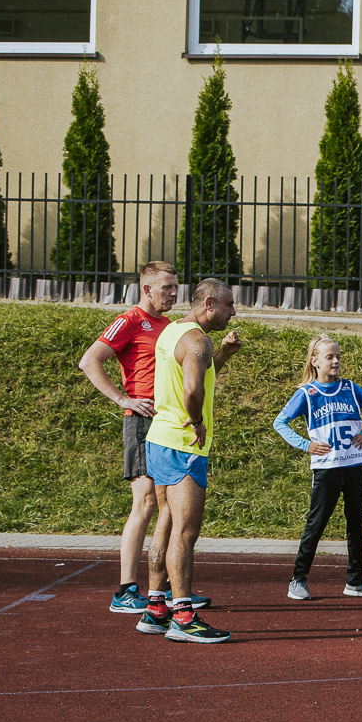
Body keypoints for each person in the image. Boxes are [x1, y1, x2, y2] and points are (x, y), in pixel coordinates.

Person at [78, 260, 209, 615]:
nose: (174, 293)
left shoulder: (170, 326)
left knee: (169, 506)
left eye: (176, 286)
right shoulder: (130, 320)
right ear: (147, 289)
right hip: (142, 420)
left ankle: (167, 590)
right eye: (167, 287)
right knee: (147, 502)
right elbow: (89, 361)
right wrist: (123, 399)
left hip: (168, 422)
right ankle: (125, 590)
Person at [134, 278, 241, 644]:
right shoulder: (198, 340)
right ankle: (182, 616)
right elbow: (193, 389)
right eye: (228, 305)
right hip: (183, 444)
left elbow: (198, 375)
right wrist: (197, 422)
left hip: (160, 438)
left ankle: (156, 608)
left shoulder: (173, 331)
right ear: (208, 304)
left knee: (165, 521)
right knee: (185, 531)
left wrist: (223, 355)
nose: (232, 312)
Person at [273, 335, 362, 601]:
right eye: (330, 357)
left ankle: (356, 580)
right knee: (317, 523)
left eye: (338, 356)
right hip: (326, 468)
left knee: (356, 523)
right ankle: (298, 579)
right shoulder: (307, 394)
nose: (336, 361)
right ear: (315, 361)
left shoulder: (350, 388)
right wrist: (305, 445)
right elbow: (280, 423)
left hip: (354, 465)